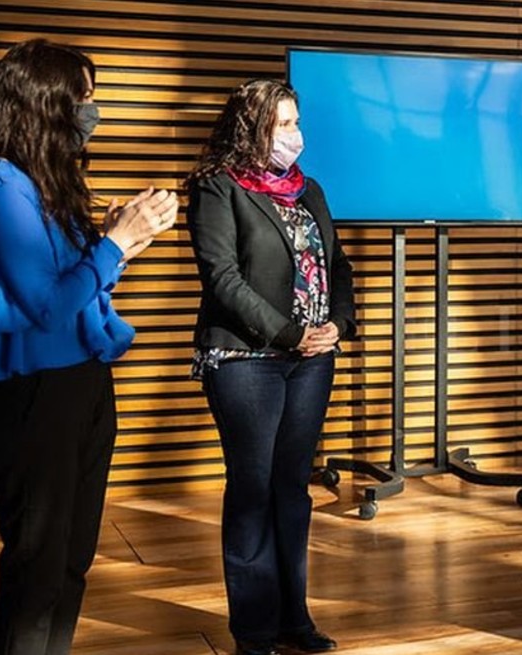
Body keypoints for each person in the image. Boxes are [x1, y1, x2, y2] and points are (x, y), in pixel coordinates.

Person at [0, 38, 178, 655]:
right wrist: (112, 244)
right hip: (31, 397)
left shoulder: (52, 182)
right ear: (43, 103)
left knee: (73, 561)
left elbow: (81, 290)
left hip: (82, 383)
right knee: (37, 569)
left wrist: (122, 240)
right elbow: (47, 304)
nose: (90, 113)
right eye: (81, 100)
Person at [185, 79, 355, 655]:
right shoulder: (216, 188)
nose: (295, 136)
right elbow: (222, 277)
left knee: (293, 489)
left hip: (312, 360)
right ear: (251, 128)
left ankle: (294, 620)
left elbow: (337, 266)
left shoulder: (310, 191)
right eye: (283, 125)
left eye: (296, 122)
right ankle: (254, 632)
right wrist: (289, 332)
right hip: (246, 359)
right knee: (253, 489)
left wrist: (340, 324)